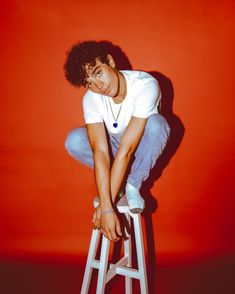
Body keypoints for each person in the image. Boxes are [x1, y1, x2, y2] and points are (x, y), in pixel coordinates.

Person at [63, 41, 170, 242]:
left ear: (110, 61)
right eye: (89, 83)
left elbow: (127, 150)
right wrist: (106, 207)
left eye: (98, 73)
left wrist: (106, 207)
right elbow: (100, 152)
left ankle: (131, 185)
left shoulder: (146, 85)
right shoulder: (91, 99)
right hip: (115, 149)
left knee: (158, 125)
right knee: (74, 140)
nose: (98, 86)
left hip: (139, 148)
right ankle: (117, 184)